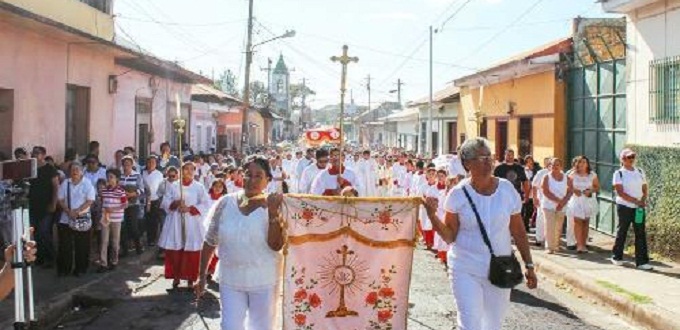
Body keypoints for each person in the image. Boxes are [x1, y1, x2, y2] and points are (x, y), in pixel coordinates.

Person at [423, 137, 537, 330]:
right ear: (467, 163)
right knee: (470, 323)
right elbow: (450, 236)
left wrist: (529, 265)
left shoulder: (507, 190)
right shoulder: (458, 194)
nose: (488, 161)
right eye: (482, 157)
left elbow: (518, 231)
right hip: (465, 267)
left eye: (489, 157)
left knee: (493, 325)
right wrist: (432, 216)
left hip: (499, 268)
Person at [195, 155, 284, 330]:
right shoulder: (225, 203)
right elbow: (210, 241)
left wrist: (273, 213)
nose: (252, 180)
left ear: (268, 180)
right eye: (248, 174)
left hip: (264, 280)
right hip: (231, 278)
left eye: (259, 175)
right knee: (230, 326)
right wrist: (201, 276)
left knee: (262, 327)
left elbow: (276, 245)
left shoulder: (274, 205)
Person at [159, 162, 210, 289]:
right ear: (181, 171)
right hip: (176, 220)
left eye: (191, 169)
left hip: (192, 222)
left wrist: (190, 209)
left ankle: (190, 278)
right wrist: (175, 203)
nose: (188, 171)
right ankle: (176, 277)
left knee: (191, 250)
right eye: (185, 169)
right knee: (176, 250)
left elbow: (206, 204)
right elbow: (165, 201)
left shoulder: (199, 187)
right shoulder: (174, 186)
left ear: (194, 171)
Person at [611, 148, 652, 270]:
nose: (631, 159)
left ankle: (642, 262)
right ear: (622, 159)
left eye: (633, 156)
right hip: (624, 207)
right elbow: (620, 192)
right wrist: (636, 201)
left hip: (638, 208)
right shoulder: (619, 173)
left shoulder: (639, 171)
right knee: (622, 230)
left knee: (640, 233)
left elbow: (644, 187)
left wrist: (643, 200)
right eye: (628, 157)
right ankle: (617, 256)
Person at [56, 162, 96, 276]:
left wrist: (77, 211)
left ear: (81, 171)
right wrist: (69, 212)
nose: (75, 171)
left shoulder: (87, 183)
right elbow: (60, 199)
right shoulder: (65, 183)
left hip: (82, 218)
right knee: (65, 245)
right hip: (66, 218)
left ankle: (81, 269)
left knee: (82, 245)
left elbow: (90, 200)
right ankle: (64, 269)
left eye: (77, 169)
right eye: (73, 169)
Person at [28, 146, 59, 268]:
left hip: (47, 207)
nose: (34, 155)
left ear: (43, 154)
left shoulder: (50, 169)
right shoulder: (31, 169)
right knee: (35, 234)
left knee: (44, 232)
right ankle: (39, 258)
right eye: (33, 153)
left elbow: (56, 187)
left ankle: (51, 258)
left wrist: (53, 203)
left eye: (37, 153)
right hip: (33, 206)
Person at [568, 156, 599, 253]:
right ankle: (579, 245)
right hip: (577, 200)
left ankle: (583, 244)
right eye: (580, 162)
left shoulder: (592, 174)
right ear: (577, 164)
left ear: (587, 164)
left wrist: (591, 190)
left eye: (584, 162)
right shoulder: (572, 174)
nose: (582, 164)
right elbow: (567, 186)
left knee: (585, 222)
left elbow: (597, 187)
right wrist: (574, 190)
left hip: (588, 201)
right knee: (577, 222)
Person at [541, 158, 573, 254]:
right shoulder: (546, 177)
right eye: (553, 165)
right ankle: (549, 247)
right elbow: (546, 191)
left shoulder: (566, 177)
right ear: (550, 166)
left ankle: (556, 245)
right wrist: (558, 201)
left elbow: (570, 190)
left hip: (562, 206)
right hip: (548, 205)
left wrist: (563, 202)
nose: (555, 167)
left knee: (558, 227)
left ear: (561, 166)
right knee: (549, 226)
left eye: (557, 165)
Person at [98, 169, 128, 272]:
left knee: (115, 241)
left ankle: (114, 261)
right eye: (108, 177)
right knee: (104, 241)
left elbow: (125, 204)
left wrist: (113, 209)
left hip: (116, 219)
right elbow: (102, 201)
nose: (109, 179)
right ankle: (103, 263)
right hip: (105, 218)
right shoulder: (104, 190)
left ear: (117, 179)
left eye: (111, 177)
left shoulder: (121, 191)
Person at [120, 156, 145, 256]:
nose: (126, 166)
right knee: (123, 227)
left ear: (132, 165)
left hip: (133, 204)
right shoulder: (120, 176)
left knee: (133, 226)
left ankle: (138, 246)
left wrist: (131, 194)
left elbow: (141, 190)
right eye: (125, 164)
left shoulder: (137, 175)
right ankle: (124, 250)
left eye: (128, 164)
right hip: (121, 205)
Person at [143, 155, 164, 247]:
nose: (151, 164)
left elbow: (162, 188)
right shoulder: (142, 173)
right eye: (149, 162)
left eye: (153, 162)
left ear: (156, 164)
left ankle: (152, 239)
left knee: (153, 220)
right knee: (145, 220)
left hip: (154, 200)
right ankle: (147, 238)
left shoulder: (159, 174)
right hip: (143, 200)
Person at [531, 157, 552, 247]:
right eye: (548, 163)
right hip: (542, 199)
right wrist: (535, 198)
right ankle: (539, 238)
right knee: (540, 219)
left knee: (551, 220)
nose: (549, 164)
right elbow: (534, 186)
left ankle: (550, 239)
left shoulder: (558, 173)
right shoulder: (541, 173)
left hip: (554, 201)